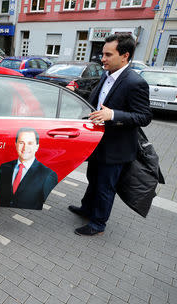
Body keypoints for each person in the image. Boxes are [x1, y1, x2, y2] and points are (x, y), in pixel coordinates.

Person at [68, 33, 152, 236]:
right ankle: (87, 208)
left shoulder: (135, 82)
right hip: (97, 142)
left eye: (108, 54)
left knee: (106, 186)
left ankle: (98, 223)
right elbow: (95, 101)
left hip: (116, 148)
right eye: (102, 53)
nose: (102, 58)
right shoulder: (106, 75)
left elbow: (144, 117)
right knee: (93, 178)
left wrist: (112, 114)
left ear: (125, 56)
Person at [0, 127, 58, 209]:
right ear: (16, 144)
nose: (25, 148)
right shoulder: (5, 167)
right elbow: (0, 195)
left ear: (37, 147)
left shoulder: (47, 175)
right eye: (21, 143)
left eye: (30, 143)